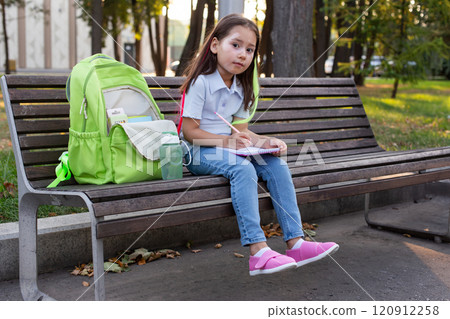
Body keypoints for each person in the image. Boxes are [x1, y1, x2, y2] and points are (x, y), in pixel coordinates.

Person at [180, 14, 339, 276]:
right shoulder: (201, 83)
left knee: (275, 164)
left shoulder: (241, 86)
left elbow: (240, 131)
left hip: (227, 148)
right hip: (199, 152)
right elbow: (189, 132)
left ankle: (296, 242)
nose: (243, 54)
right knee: (243, 169)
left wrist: (264, 142)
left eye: (250, 49)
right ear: (215, 45)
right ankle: (258, 251)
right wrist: (228, 142)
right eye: (236, 45)